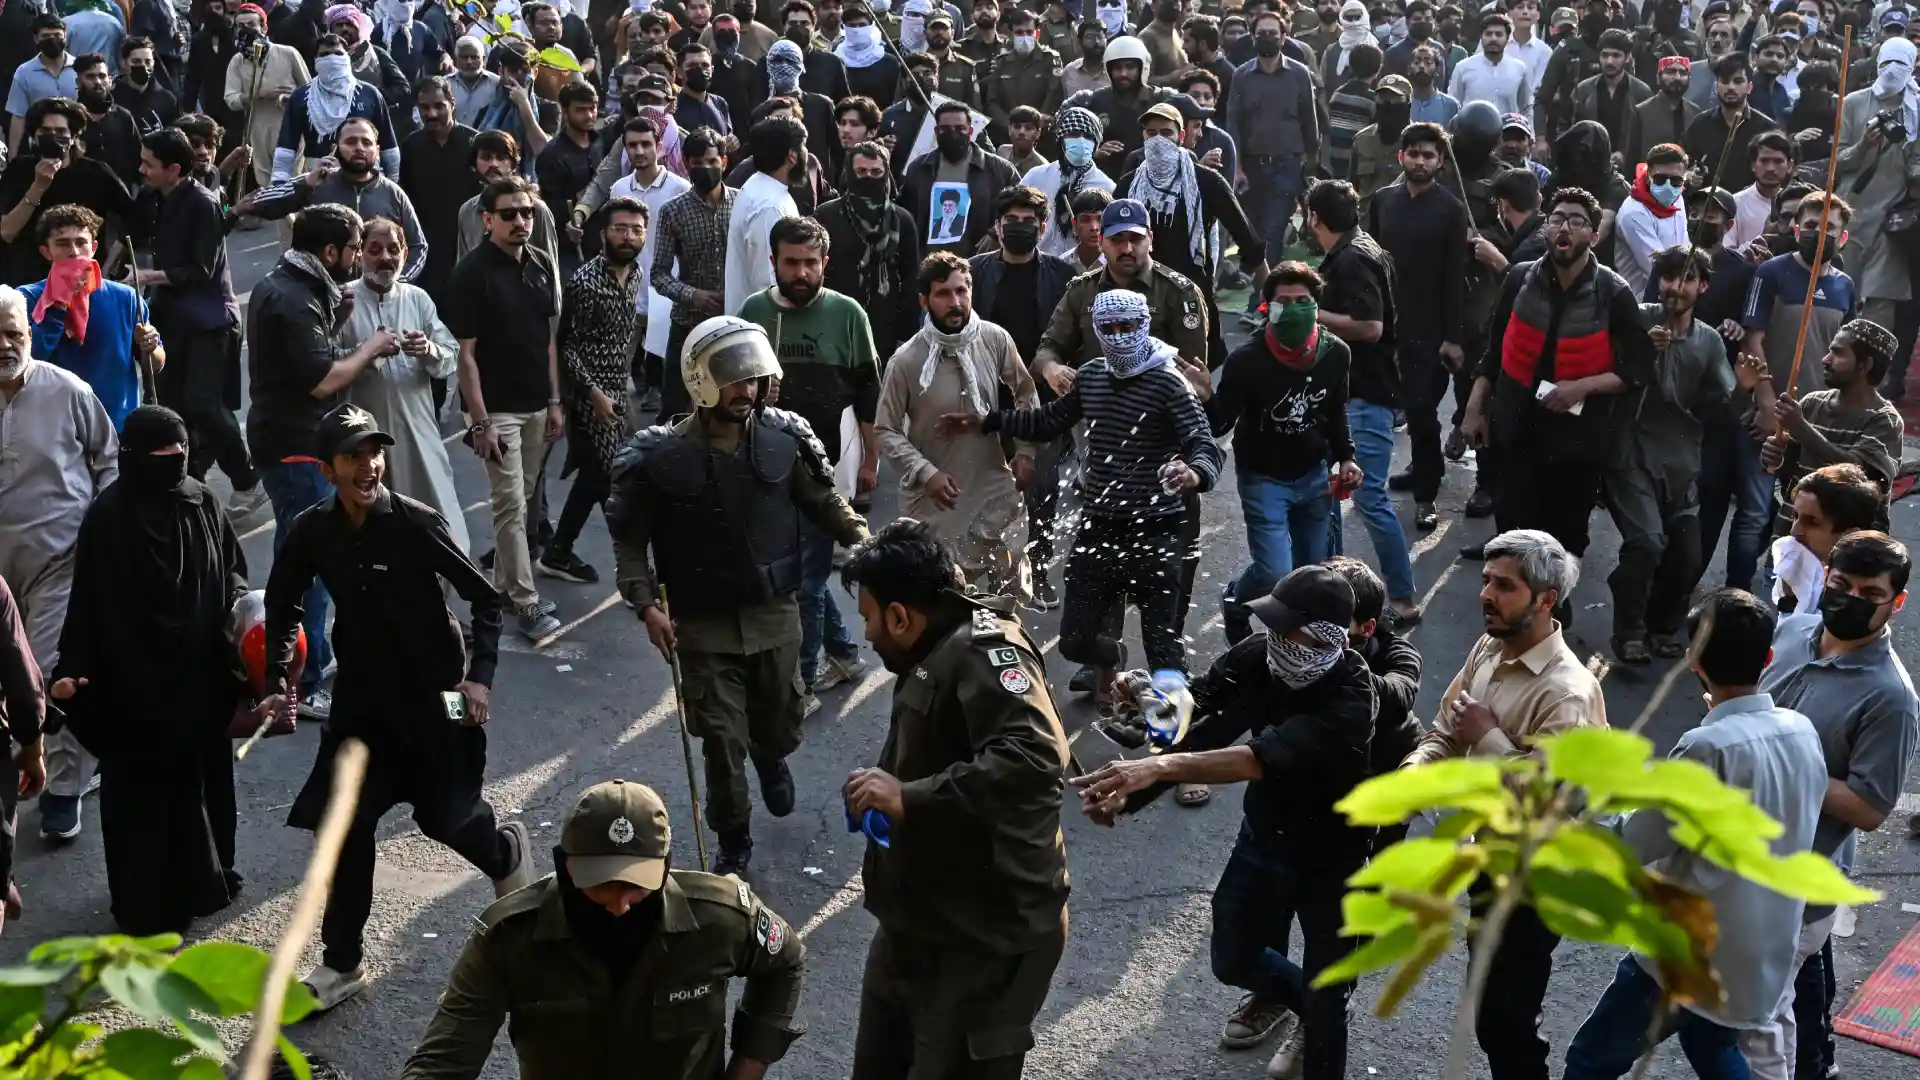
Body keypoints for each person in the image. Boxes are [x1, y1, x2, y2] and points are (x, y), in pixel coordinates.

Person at [260, 402, 532, 1011]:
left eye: (374, 453)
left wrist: (479, 682)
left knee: (449, 815)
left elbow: (487, 601)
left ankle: (506, 852)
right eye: (354, 456)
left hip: (443, 697)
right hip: (360, 703)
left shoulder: (415, 522)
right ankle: (342, 964)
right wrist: (279, 676)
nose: (369, 466)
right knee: (345, 827)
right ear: (327, 469)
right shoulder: (312, 530)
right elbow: (284, 604)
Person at [1072, 563, 1377, 1080]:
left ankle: (1324, 1013)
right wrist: (1149, 695)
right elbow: (1198, 703)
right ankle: (1313, 1002)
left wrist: (1157, 766)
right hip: (1263, 837)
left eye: (1288, 627)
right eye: (1272, 625)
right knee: (1232, 959)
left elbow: (1252, 760)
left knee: (1328, 1009)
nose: (1275, 638)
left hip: (1332, 863)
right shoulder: (1261, 656)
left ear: (1328, 635)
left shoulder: (1352, 700)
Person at [607, 315, 868, 874]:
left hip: (776, 615)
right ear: (701, 380)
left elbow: (825, 504)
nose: (745, 390)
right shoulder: (658, 458)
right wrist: (647, 605)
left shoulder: (783, 439)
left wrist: (869, 546)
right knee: (722, 739)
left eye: (752, 378)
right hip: (701, 624)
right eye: (732, 378)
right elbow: (630, 543)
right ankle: (734, 840)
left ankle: (772, 757)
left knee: (778, 723)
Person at [840, 517, 1071, 1080]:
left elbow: (1036, 760)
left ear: (901, 616)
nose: (867, 634)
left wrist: (909, 796)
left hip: (984, 937)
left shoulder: (984, 650)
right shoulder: (936, 641)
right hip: (921, 917)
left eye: (870, 618)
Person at [1562, 588, 1826, 1080]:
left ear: (1693, 660)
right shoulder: (1800, 730)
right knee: (1712, 1044)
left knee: (1590, 1061)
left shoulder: (1708, 747)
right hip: (1762, 951)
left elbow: (1630, 842)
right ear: (1767, 658)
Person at [401, 779, 804, 1078]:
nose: (620, 904)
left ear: (664, 868)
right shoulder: (507, 939)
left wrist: (748, 1066)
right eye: (600, 885)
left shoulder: (719, 917)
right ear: (565, 865)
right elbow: (444, 1062)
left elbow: (785, 961)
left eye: (637, 885)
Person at [944, 284, 1221, 702]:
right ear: (1096, 329)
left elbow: (1204, 443)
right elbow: (1046, 421)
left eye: (1129, 326)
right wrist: (988, 420)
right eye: (1109, 327)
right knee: (1075, 640)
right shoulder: (1092, 376)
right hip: (1101, 526)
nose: (1120, 335)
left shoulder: (1169, 382)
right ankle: (1113, 658)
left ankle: (1173, 741)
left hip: (1159, 528)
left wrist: (1194, 473)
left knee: (1163, 645)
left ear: (1145, 325)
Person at [1404, 529, 1606, 1080]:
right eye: (1486, 580)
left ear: (1545, 600)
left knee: (1504, 1018)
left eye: (1504, 586)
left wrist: (1491, 739)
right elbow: (1446, 731)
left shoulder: (1567, 692)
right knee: (1494, 1008)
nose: (1485, 594)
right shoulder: (1490, 646)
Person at [49, 404, 246, 934]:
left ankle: (205, 882)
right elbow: (86, 604)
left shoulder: (203, 502)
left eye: (180, 452)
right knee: (141, 800)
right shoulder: (109, 517)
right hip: (132, 689)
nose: (173, 462)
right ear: (131, 457)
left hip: (199, 680)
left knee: (200, 787)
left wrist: (247, 631)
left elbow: (232, 575)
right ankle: (144, 905)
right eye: (160, 454)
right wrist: (73, 670)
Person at [1749, 530, 1919, 1080]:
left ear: (1897, 603)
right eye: (1841, 585)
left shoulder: (1891, 698)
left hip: (1794, 886)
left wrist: (1780, 760)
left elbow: (1870, 809)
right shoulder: (1795, 630)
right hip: (1730, 858)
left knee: (1754, 1026)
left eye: (1869, 595)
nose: (1847, 600)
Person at [1460, 187, 1654, 599]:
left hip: (1577, 443)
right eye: (1558, 218)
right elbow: (1494, 352)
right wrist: (1475, 410)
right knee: (1513, 534)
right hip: (1515, 431)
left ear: (1593, 237)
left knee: (1564, 542)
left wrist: (1581, 387)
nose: (1565, 226)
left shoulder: (1614, 293)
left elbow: (1637, 368)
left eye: (1577, 220)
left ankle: (1553, 619)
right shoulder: (1518, 278)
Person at [737, 215, 878, 704]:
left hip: (827, 466)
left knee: (811, 576)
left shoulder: (848, 313)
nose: (801, 273)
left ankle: (803, 678)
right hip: (769, 461)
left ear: (825, 264)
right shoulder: (754, 311)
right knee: (798, 570)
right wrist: (758, 392)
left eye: (810, 264)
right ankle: (845, 653)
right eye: (791, 263)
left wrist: (870, 461)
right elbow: (735, 390)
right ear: (773, 262)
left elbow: (868, 392)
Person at [0, 283, 115, 843]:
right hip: (0, 579)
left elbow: (109, 465)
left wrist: (102, 541)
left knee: (53, 675)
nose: (4, 344)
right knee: (12, 683)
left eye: (13, 332)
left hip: (60, 561)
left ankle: (64, 790)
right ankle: (18, 772)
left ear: (28, 333)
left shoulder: (67, 390)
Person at [875, 252, 1040, 595]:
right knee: (942, 599)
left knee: (1006, 602)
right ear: (924, 300)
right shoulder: (906, 360)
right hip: (937, 501)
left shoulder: (994, 339)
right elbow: (885, 430)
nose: (956, 302)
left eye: (961, 291)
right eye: (943, 294)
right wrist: (925, 472)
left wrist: (1026, 450)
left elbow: (1026, 392)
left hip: (993, 490)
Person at [444, 176, 565, 642]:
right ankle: (527, 602)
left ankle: (498, 590)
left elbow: (548, 341)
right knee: (511, 506)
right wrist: (479, 422)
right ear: (487, 219)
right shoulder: (470, 274)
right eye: (510, 214)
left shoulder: (539, 262)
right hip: (498, 413)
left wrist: (555, 402)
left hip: (538, 405)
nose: (520, 221)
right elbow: (465, 355)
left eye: (527, 212)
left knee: (521, 503)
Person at [1212, 262, 1358, 647]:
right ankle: (1236, 599)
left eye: (1303, 301)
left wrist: (1347, 458)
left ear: (1316, 306)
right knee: (1275, 572)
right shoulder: (1247, 360)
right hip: (1263, 478)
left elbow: (1335, 410)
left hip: (1313, 475)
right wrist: (1203, 397)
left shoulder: (1335, 354)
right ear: (1266, 307)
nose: (1293, 308)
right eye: (1284, 301)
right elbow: (1219, 423)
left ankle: (1305, 654)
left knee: (1311, 576)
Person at [1604, 245, 1734, 666]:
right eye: (1669, 277)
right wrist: (1640, 350)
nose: (1676, 287)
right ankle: (1629, 632)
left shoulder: (1709, 341)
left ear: (1703, 286)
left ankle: (1662, 627)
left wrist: (1748, 387)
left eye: (1688, 278)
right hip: (1631, 453)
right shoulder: (1636, 318)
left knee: (1686, 556)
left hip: (1681, 461)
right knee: (1645, 543)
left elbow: (1726, 403)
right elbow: (1605, 365)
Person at [1306, 181, 1418, 625]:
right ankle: (1330, 587)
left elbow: (1370, 326)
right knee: (1331, 491)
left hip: (1367, 394)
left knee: (1368, 496)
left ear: (1315, 217)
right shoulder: (1358, 249)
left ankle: (1404, 598)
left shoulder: (1353, 259)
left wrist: (1308, 315)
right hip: (1350, 393)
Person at [336, 217, 465, 564]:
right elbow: (328, 365)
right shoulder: (345, 299)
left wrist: (429, 351)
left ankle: (443, 610)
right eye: (375, 250)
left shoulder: (417, 299)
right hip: (367, 439)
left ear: (406, 254)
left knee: (440, 522)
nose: (385, 258)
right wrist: (369, 353)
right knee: (377, 531)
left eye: (393, 250)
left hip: (418, 433)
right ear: (360, 253)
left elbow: (450, 354)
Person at [542, 198, 649, 588]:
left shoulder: (635, 274)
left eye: (636, 229)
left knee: (595, 478)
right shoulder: (585, 283)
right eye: (620, 228)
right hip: (589, 401)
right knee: (613, 485)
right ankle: (637, 572)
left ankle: (556, 550)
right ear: (603, 233)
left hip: (618, 394)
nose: (628, 236)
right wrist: (593, 394)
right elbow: (565, 345)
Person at [1370, 121, 1468, 534]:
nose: (1421, 161)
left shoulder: (1451, 210)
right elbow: (1369, 262)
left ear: (1441, 162)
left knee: (1423, 414)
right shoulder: (1381, 200)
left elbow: (1454, 277)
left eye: (1429, 155)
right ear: (1402, 157)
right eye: (1415, 154)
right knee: (1378, 408)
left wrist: (1453, 336)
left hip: (1429, 328)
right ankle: (1379, 485)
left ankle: (1426, 494)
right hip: (1383, 323)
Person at [1115, 100, 1266, 367]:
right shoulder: (1129, 185)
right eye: (1151, 134)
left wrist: (1271, 294)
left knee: (1195, 376)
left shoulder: (1206, 182)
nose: (1158, 141)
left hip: (1192, 295)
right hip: (1141, 297)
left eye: (1166, 133)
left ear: (1181, 137)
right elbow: (1111, 238)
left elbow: (1246, 238)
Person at [21, 204, 158, 434]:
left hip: (116, 429)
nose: (74, 252)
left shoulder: (126, 298)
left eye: (81, 242)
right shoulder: (26, 299)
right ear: (46, 252)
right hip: (52, 431)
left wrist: (150, 347)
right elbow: (23, 363)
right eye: (63, 244)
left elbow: (154, 364)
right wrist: (57, 306)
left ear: (93, 247)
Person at [1760, 318, 1905, 534]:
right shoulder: (1812, 403)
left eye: (1838, 353)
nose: (1825, 359)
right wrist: (1776, 456)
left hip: (1848, 549)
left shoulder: (1885, 420)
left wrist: (1801, 428)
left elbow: (1858, 475)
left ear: (1865, 365)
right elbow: (1794, 473)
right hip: (1794, 536)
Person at [245, 116, 427, 280]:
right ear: (336, 148)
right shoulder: (316, 181)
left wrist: (399, 281)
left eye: (366, 142)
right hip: (319, 297)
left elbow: (419, 246)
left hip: (373, 301)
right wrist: (306, 184)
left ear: (377, 150)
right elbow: (260, 205)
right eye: (351, 142)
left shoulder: (393, 193)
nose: (359, 148)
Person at [1833, 37, 1920, 343]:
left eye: (1901, 63)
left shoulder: (1917, 107)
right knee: (1842, 290)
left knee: (1881, 301)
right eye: (1887, 63)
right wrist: (1863, 145)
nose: (1893, 70)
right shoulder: (1853, 103)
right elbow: (1838, 162)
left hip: (1892, 219)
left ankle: (1872, 373)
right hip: (1851, 212)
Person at [0, 95, 135, 288]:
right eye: (46, 131)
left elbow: (135, 218)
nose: (53, 136)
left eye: (61, 131)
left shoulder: (96, 173)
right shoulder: (19, 170)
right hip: (30, 281)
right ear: (35, 136)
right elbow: (6, 231)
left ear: (73, 137)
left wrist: (110, 264)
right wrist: (38, 187)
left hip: (83, 279)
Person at [1223, 9, 1316, 277]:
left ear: (1283, 37)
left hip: (1287, 164)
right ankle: (1263, 289)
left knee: (1273, 231)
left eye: (1272, 33)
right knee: (1255, 231)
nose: (1267, 38)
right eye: (1261, 33)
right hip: (1252, 167)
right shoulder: (1241, 76)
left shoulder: (1299, 74)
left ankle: (1262, 300)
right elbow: (1234, 126)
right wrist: (1237, 168)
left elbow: (1309, 121)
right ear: (1253, 38)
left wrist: (1309, 167)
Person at [815, 141, 920, 365]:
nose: (868, 177)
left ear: (886, 174)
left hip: (885, 327)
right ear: (849, 173)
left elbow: (912, 279)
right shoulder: (827, 215)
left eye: (876, 172)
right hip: (835, 324)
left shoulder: (902, 220)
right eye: (861, 171)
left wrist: (905, 334)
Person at [270, 32, 398, 181]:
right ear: (316, 61)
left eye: (338, 53)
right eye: (325, 55)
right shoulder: (301, 97)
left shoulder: (370, 94)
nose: (332, 59)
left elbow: (388, 143)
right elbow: (286, 145)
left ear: (347, 58)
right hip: (319, 178)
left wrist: (394, 181)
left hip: (364, 177)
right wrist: (278, 183)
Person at [902, 100, 1021, 256]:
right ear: (936, 131)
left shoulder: (999, 169)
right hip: (929, 262)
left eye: (960, 129)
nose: (953, 133)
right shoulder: (919, 168)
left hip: (979, 263)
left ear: (971, 131)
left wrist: (995, 233)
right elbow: (905, 211)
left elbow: (1021, 205)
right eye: (945, 129)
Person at [400, 77, 480, 304]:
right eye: (424, 107)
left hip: (467, 242)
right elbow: (406, 199)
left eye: (439, 106)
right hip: (427, 245)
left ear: (452, 104)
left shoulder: (474, 142)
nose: (432, 113)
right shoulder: (412, 145)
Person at [1772, 463, 1883, 614]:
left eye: (1812, 522)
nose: (1794, 531)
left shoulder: (1856, 607)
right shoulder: (1797, 575)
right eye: (1795, 516)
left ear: (1849, 535)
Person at [223, 3, 309, 197]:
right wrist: (260, 94)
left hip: (290, 128)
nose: (246, 30)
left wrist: (290, 98)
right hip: (258, 131)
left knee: (290, 184)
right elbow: (231, 99)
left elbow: (309, 91)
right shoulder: (237, 61)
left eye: (251, 25)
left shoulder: (288, 54)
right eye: (240, 26)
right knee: (268, 185)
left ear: (264, 28)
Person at [451, 130, 562, 270]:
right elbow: (463, 265)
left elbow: (551, 266)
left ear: (513, 164)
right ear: (474, 163)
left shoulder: (534, 209)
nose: (494, 164)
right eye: (486, 157)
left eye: (501, 158)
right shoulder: (468, 211)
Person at [724, 114, 802, 313]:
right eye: (803, 147)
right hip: (764, 331)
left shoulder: (761, 188)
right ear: (792, 155)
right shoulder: (769, 206)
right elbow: (769, 286)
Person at [1024, 105, 1114, 261]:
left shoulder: (1107, 187)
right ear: (1061, 140)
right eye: (1073, 134)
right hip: (1038, 264)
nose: (1080, 140)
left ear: (1096, 143)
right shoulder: (1036, 176)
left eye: (1087, 136)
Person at [1682, 52, 1778, 195]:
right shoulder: (1700, 124)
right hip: (1708, 208)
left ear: (1749, 87)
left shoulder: (1767, 129)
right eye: (1725, 82)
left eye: (1738, 81)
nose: (1731, 87)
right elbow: (1681, 163)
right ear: (1716, 86)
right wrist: (1689, 176)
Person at [1612, 143, 1690, 297]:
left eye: (1675, 181)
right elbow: (1657, 268)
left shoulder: (1677, 198)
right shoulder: (1633, 213)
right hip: (1641, 303)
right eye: (1660, 179)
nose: (1668, 186)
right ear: (1648, 175)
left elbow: (1685, 246)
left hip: (1676, 294)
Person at [987, 8, 1063, 143]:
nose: (1024, 37)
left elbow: (1054, 94)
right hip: (1008, 136)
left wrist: (1034, 125)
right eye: (1019, 33)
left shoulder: (1050, 59)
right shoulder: (1001, 62)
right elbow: (992, 102)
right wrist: (1012, 127)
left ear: (1037, 34)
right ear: (1012, 35)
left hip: (1042, 135)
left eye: (1029, 32)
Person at [1567, 29, 1647, 158]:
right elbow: (1569, 128)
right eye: (1605, 55)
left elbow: (1645, 134)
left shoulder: (1641, 92)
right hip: (1589, 162)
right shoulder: (1583, 90)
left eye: (1616, 56)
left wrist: (1624, 154)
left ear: (1627, 58)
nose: (1609, 61)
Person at [7, 14, 78, 157]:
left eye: (57, 35)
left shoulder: (79, 68)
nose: (52, 40)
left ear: (65, 36)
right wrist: (13, 156)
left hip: (75, 145)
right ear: (36, 39)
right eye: (46, 36)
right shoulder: (24, 72)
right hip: (39, 146)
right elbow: (18, 116)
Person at [71, 53, 140, 188]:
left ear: (109, 80)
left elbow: (137, 161)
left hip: (121, 200)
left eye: (102, 76)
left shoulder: (124, 117)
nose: (97, 82)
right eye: (90, 76)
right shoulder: (70, 118)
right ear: (78, 82)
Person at [1726, 130, 1798, 251]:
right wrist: (1762, 240)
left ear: (1790, 165)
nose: (1770, 168)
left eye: (1778, 161)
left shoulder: (1800, 204)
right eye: (1764, 161)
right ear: (1753, 164)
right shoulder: (1734, 204)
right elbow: (1726, 254)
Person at [1448, 12, 1534, 116]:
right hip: (1472, 130)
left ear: (1507, 38)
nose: (1493, 39)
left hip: (1508, 130)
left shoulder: (1519, 69)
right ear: (1481, 37)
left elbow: (1526, 109)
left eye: (1498, 34)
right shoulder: (1463, 68)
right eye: (1488, 34)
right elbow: (1453, 107)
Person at [1627, 55, 1700, 166]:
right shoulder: (1642, 112)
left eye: (1683, 73)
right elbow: (1631, 160)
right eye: (1670, 72)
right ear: (1658, 78)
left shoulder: (1695, 112)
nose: (1677, 77)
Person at [836, 3, 900, 107]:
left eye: (862, 25)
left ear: (871, 26)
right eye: (852, 25)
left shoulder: (889, 62)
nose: (857, 30)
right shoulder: (836, 59)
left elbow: (895, 99)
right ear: (844, 27)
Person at [113, 35, 178, 134]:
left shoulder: (167, 100)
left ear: (153, 63)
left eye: (147, 62)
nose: (143, 66)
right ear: (124, 63)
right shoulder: (113, 99)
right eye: (136, 61)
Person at [447, 34, 499, 127]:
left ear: (483, 59)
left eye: (474, 57)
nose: (469, 62)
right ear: (456, 59)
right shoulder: (445, 83)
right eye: (464, 57)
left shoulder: (497, 83)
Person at [1060, 18, 1111, 98]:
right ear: (1080, 41)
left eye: (1100, 36)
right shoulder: (1070, 71)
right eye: (1090, 37)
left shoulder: (1113, 71)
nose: (1096, 41)